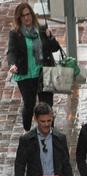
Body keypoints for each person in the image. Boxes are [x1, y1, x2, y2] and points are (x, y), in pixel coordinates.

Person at [7, 2, 61, 131]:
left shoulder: (41, 29)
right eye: (23, 15)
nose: (27, 18)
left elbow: (55, 48)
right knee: (29, 105)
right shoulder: (15, 34)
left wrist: (50, 37)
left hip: (43, 73)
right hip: (25, 75)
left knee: (47, 105)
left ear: (32, 14)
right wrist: (12, 64)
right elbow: (11, 52)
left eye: (28, 14)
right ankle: (27, 130)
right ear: (19, 18)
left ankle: (49, 132)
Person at [14, 102, 74, 176]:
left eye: (49, 121)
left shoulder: (60, 139)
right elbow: (20, 165)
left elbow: (66, 165)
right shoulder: (26, 140)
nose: (46, 124)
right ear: (36, 119)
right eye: (42, 121)